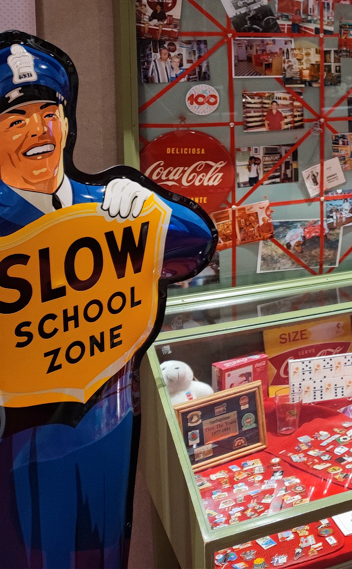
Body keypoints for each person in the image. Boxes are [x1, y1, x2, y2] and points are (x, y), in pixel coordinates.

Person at [0, 33, 214, 568]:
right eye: (16, 119)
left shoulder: (104, 205)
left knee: (107, 552)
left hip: (110, 427)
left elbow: (195, 245)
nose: (38, 130)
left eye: (49, 113)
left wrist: (151, 203)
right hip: (23, 449)